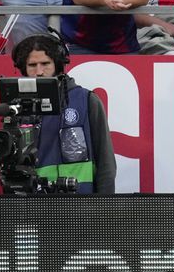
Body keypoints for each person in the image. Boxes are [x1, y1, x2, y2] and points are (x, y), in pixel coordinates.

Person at [10, 31, 116, 193]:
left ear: (58, 64)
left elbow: (106, 162)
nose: (39, 71)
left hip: (82, 206)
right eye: (32, 65)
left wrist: (105, 207)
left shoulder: (87, 100)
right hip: (33, 206)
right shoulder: (15, 107)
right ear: (23, 68)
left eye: (45, 63)